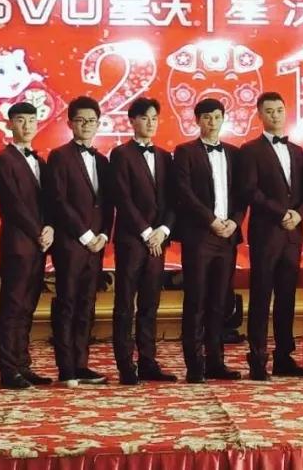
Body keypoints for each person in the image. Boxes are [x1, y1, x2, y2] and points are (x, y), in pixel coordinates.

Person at [239, 91, 303, 381]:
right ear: (260, 115)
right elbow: (249, 190)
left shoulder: (296, 150)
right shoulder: (250, 150)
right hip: (266, 233)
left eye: (279, 110)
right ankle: (257, 358)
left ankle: (284, 356)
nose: (275, 115)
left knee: (287, 297)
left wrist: (298, 214)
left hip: (293, 235)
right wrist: (281, 213)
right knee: (261, 296)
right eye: (269, 111)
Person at [173, 98, 245, 384]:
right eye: (206, 117)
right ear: (197, 121)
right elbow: (183, 192)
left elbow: (242, 193)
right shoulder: (185, 152)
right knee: (196, 300)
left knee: (220, 301)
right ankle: (195, 365)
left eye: (216, 116)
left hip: (227, 237)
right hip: (200, 236)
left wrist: (235, 222)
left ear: (223, 118)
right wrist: (211, 220)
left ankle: (216, 362)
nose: (212, 122)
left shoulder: (234, 153)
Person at [45, 96, 115, 388]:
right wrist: (85, 235)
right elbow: (58, 201)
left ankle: (82, 364)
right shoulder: (59, 157)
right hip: (71, 244)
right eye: (81, 120)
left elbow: (108, 204)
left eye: (92, 121)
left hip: (96, 245)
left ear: (98, 124)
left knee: (87, 305)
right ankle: (67, 369)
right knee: (68, 303)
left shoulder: (102, 160)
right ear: (70, 123)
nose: (86, 125)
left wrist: (103, 235)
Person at [109, 97, 179, 385]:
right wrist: (146, 232)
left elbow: (173, 199)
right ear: (132, 121)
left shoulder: (165, 156)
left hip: (158, 241)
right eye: (144, 117)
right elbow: (122, 198)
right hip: (132, 239)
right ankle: (125, 364)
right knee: (125, 303)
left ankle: (148, 361)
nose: (150, 123)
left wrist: (163, 230)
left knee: (151, 303)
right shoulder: (120, 154)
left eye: (154, 118)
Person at [0, 101, 54, 390]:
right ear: (10, 124)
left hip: (39, 245)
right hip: (18, 243)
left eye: (31, 120)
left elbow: (50, 201)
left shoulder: (41, 162)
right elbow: (12, 203)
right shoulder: (2, 160)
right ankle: (8, 370)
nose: (27, 126)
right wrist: (38, 231)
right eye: (20, 120)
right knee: (12, 306)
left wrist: (50, 226)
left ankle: (23, 365)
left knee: (28, 307)